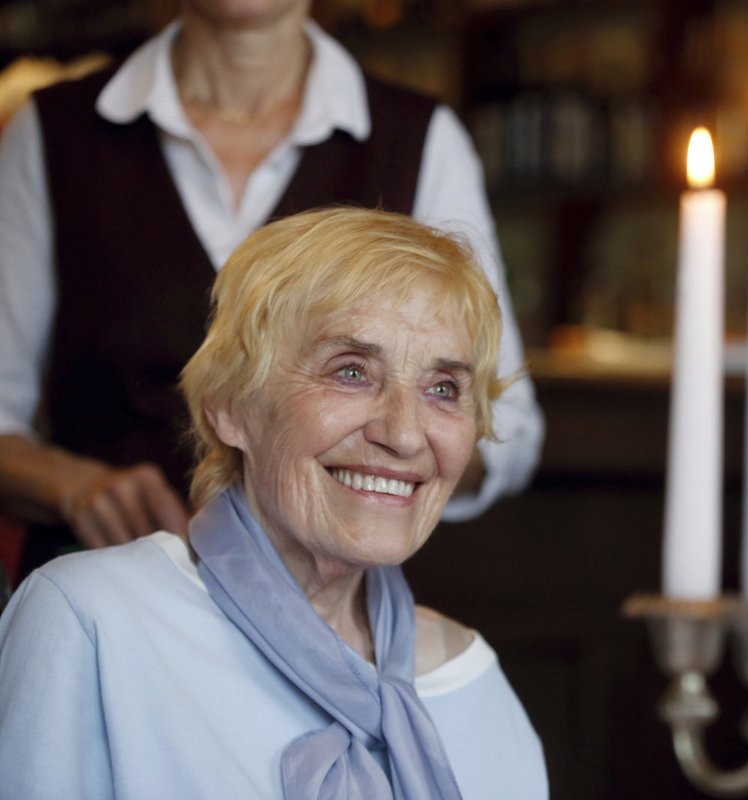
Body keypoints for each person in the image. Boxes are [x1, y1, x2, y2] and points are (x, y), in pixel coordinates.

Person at [0, 207, 548, 798]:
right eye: (351, 372)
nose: (406, 434)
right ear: (230, 406)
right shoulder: (92, 620)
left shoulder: (472, 684)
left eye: (444, 389)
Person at [0, 0, 543, 576]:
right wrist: (75, 487)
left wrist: (388, 464)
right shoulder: (53, 132)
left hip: (331, 612)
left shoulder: (419, 137)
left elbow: (502, 422)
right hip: (107, 583)